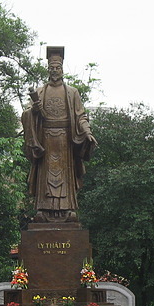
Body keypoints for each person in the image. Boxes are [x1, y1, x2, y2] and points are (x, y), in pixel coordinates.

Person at [21, 46, 98, 223]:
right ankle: (42, 209)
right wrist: (33, 110)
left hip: (65, 140)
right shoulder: (40, 92)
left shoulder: (72, 93)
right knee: (45, 175)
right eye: (52, 68)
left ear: (62, 69)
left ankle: (68, 209)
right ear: (48, 70)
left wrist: (86, 132)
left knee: (65, 175)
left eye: (58, 68)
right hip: (45, 140)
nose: (55, 71)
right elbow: (26, 114)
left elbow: (80, 116)